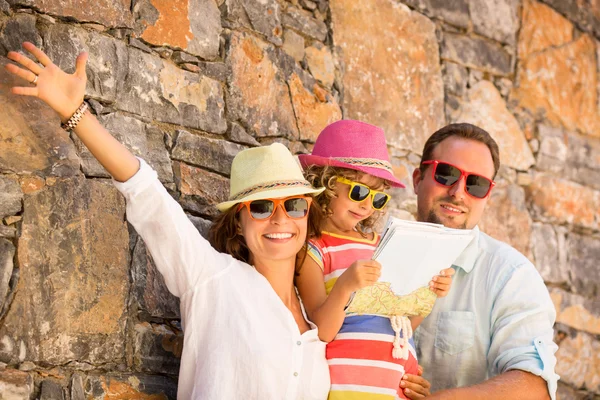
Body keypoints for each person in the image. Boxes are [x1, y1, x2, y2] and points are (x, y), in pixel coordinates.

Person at [5, 42, 332, 399]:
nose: (281, 219)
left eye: (295, 205)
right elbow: (147, 194)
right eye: (261, 207)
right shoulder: (214, 279)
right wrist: (76, 113)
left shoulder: (318, 320)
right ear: (239, 222)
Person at [295, 120, 455, 400]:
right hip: (351, 385)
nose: (367, 205)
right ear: (324, 184)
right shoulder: (315, 249)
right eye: (358, 191)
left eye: (378, 197)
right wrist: (344, 287)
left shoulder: (383, 244)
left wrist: (428, 292)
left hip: (399, 384)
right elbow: (322, 331)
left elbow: (400, 320)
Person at [411, 123, 559, 400]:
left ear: (487, 195)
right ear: (418, 179)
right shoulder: (369, 252)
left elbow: (535, 387)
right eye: (446, 174)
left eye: (476, 184)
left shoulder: (511, 276)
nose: (458, 192)